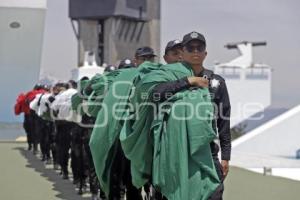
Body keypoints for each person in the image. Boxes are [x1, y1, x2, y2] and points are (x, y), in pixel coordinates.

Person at [151, 31, 231, 200]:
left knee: (213, 194)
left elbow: (223, 121)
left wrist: (226, 156)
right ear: (183, 53)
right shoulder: (169, 76)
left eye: (199, 48)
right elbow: (155, 95)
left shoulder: (216, 82)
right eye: (191, 48)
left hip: (206, 152)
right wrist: (189, 81)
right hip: (174, 152)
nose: (195, 52)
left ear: (205, 53)